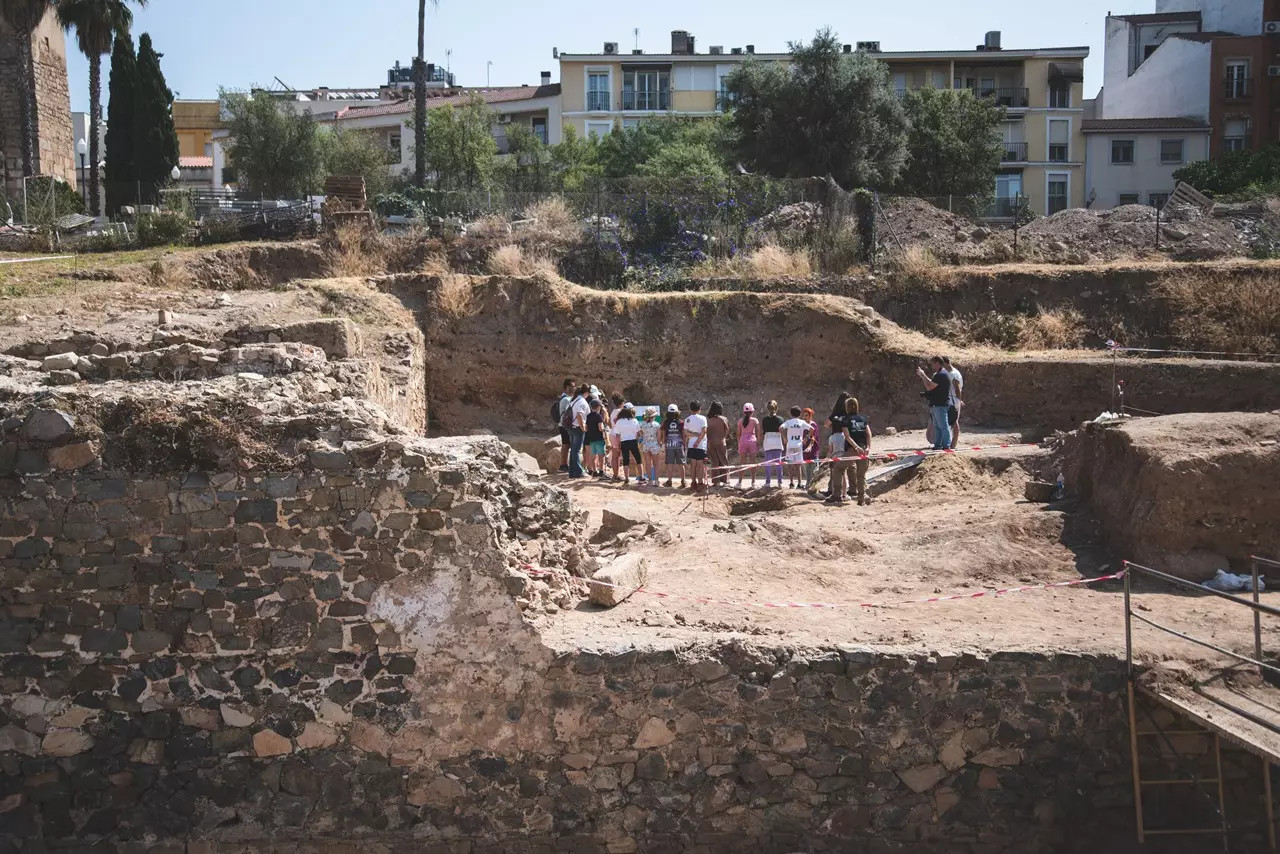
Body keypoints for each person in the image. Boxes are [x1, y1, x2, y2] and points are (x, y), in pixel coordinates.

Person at [828, 397, 873, 506]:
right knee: (861, 475)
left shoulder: (846, 420)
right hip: (864, 450)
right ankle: (861, 498)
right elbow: (869, 434)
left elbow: (847, 436)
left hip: (852, 450)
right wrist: (868, 448)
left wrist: (856, 447)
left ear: (847, 408)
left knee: (838, 468)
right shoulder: (862, 419)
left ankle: (837, 495)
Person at [917, 356, 952, 451]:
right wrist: (922, 376)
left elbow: (930, 386)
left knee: (943, 426)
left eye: (933, 363)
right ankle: (938, 445)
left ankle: (946, 445)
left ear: (937, 363)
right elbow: (929, 386)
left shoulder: (941, 374)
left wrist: (923, 375)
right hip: (936, 404)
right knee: (937, 426)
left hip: (940, 404)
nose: (931, 366)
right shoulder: (939, 374)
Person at [780, 406, 811, 489]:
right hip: (798, 445)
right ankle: (799, 483)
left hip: (790, 445)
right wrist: (806, 438)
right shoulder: (802, 422)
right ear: (800, 414)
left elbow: (780, 428)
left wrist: (784, 438)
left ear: (791, 414)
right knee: (798, 466)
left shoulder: (789, 422)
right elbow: (812, 429)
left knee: (790, 465)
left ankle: (791, 483)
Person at [684, 401, 710, 491]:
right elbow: (704, 431)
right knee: (700, 465)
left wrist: (694, 435)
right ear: (699, 409)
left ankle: (693, 482)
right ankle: (700, 483)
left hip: (691, 444)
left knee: (693, 465)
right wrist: (698, 441)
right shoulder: (703, 418)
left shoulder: (687, 419)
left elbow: (685, 432)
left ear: (690, 409)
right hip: (701, 445)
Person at [613, 405, 642, 485]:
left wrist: (618, 444)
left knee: (626, 460)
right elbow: (638, 433)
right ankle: (641, 477)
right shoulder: (634, 420)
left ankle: (626, 478)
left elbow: (617, 435)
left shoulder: (619, 421)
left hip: (624, 442)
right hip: (633, 441)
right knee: (638, 459)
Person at [736, 403, 761, 490]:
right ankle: (753, 482)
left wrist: (739, 444)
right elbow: (758, 432)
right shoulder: (755, 420)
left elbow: (738, 434)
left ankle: (739, 482)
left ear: (744, 412)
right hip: (752, 440)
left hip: (743, 440)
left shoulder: (740, 421)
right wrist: (758, 442)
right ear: (752, 411)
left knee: (742, 463)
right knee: (752, 463)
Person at [760, 401, 785, 489]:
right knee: (779, 463)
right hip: (777, 441)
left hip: (768, 441)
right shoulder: (780, 419)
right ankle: (780, 482)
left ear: (768, 409)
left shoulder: (764, 420)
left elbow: (763, 432)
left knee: (768, 463)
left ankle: (767, 482)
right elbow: (781, 431)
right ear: (776, 408)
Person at [568, 384, 590, 478]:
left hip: (571, 427)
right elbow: (579, 415)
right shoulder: (582, 401)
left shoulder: (573, 400)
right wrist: (583, 427)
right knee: (576, 450)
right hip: (578, 428)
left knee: (573, 449)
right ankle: (578, 471)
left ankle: (572, 472)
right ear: (586, 393)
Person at [706, 402, 730, 488]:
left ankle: (716, 481)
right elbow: (727, 430)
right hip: (721, 442)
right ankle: (724, 480)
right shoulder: (723, 419)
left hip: (711, 442)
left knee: (714, 462)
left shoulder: (708, 419)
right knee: (723, 461)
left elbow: (706, 431)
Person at [662, 404, 686, 488]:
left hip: (669, 445)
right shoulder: (681, 422)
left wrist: (663, 444)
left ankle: (669, 481)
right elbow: (683, 434)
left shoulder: (665, 422)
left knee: (670, 463)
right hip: (679, 445)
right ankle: (683, 481)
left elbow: (664, 434)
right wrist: (685, 445)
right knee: (681, 464)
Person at [943, 356, 964, 451]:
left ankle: (953, 444)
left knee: (954, 422)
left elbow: (957, 389)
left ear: (946, 363)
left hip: (953, 401)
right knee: (951, 421)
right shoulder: (950, 372)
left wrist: (959, 401)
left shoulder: (954, 374)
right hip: (951, 401)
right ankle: (951, 443)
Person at [639, 407, 663, 486]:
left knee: (648, 464)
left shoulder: (643, 424)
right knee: (656, 464)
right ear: (654, 416)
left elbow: (641, 434)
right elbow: (659, 437)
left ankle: (650, 481)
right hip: (654, 445)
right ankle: (656, 481)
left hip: (646, 445)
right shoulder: (657, 425)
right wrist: (659, 444)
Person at [555, 378, 575, 472]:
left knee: (566, 444)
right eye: (571, 386)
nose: (573, 388)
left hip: (563, 425)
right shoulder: (566, 399)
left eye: (574, 386)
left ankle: (564, 465)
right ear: (566, 387)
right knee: (566, 445)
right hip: (565, 425)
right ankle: (563, 465)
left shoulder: (564, 398)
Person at [585, 398, 608, 477]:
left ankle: (594, 471)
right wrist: (604, 430)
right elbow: (600, 428)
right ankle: (601, 471)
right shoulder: (598, 416)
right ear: (598, 407)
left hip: (591, 439)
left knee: (593, 455)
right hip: (599, 438)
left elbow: (586, 428)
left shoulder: (588, 416)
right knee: (601, 455)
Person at [608, 391, 625, 482]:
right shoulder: (622, 412)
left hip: (612, 433)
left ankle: (615, 475)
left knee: (615, 456)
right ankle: (619, 475)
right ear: (622, 402)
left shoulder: (613, 412)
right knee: (621, 456)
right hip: (619, 435)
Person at [802, 407, 820, 490]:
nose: (805, 417)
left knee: (814, 470)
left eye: (806, 415)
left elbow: (813, 438)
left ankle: (813, 486)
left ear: (810, 416)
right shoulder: (803, 425)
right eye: (804, 415)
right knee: (807, 470)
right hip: (805, 450)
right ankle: (807, 485)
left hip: (813, 450)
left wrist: (810, 446)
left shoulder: (813, 425)